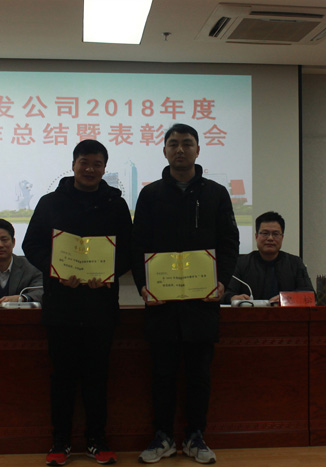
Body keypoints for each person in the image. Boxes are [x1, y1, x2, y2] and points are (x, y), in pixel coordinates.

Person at [131, 123, 239, 464]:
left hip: (202, 301)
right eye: (174, 144)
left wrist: (222, 282)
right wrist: (143, 284)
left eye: (187, 143)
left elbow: (229, 242)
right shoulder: (150, 195)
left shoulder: (216, 193)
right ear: (164, 150)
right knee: (161, 374)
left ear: (198, 150)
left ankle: (195, 437)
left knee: (199, 375)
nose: (180, 149)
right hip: (161, 301)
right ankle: (162, 436)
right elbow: (138, 244)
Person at [22, 139, 132, 466]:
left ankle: (97, 440)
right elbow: (32, 245)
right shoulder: (50, 202)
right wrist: (55, 270)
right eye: (84, 162)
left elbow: (128, 250)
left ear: (104, 168)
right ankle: (60, 442)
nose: (90, 169)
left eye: (97, 164)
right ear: (73, 165)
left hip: (101, 306)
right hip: (62, 307)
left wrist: (108, 273)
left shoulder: (116, 205)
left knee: (98, 377)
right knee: (63, 378)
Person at [223, 211, 314, 305]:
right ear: (256, 236)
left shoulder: (295, 263)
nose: (270, 238)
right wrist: (232, 298)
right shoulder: (241, 263)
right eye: (265, 233)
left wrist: (285, 298)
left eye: (275, 234)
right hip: (251, 314)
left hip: (285, 314)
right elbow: (225, 293)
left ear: (282, 237)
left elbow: (309, 294)